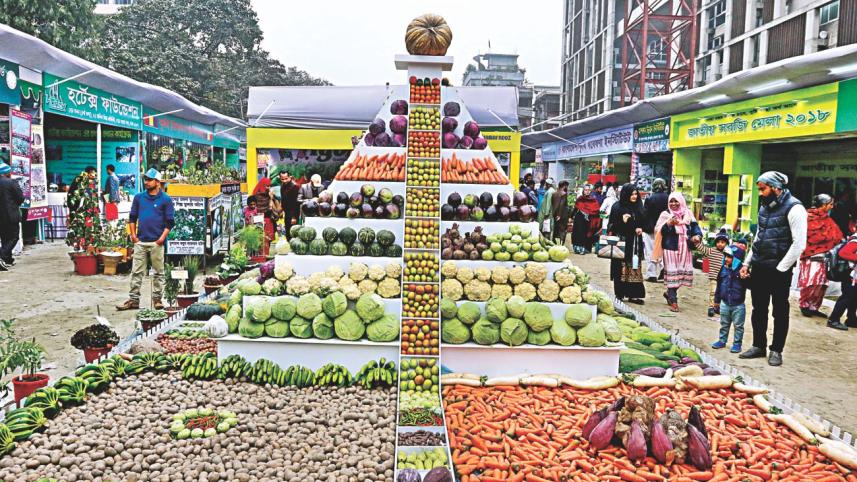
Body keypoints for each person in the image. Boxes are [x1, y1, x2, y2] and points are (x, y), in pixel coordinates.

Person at [739, 171, 807, 367]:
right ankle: (758, 345)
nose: (760, 193)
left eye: (763, 189)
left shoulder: (795, 208)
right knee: (758, 309)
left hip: (779, 270)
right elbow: (759, 238)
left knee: (780, 311)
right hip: (760, 266)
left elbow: (799, 244)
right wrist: (747, 262)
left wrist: (780, 269)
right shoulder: (764, 208)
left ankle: (776, 350)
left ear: (776, 188)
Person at [116, 169, 174, 311]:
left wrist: (161, 239)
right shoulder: (139, 198)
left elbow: (170, 222)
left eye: (149, 179)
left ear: (158, 182)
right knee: (136, 271)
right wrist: (133, 236)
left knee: (158, 272)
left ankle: (157, 300)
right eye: (145, 179)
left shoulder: (166, 200)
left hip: (156, 243)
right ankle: (133, 300)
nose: (146, 182)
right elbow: (132, 217)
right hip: (140, 242)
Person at [652, 193, 701, 312]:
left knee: (682, 274)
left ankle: (669, 293)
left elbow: (695, 227)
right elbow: (659, 230)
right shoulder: (666, 215)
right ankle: (673, 301)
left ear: (681, 201)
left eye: (676, 201)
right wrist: (668, 224)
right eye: (671, 202)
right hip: (670, 248)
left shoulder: (688, 214)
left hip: (685, 247)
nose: (673, 204)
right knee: (672, 273)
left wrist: (697, 235)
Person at [798, 194, 843, 319]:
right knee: (811, 281)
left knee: (822, 283)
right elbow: (810, 235)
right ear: (823, 205)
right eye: (830, 204)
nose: (832, 206)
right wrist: (827, 238)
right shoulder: (808, 217)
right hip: (811, 254)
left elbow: (837, 234)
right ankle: (804, 305)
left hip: (826, 255)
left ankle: (814, 307)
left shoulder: (827, 218)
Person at [607, 184, 646, 304]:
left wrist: (640, 228)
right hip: (622, 242)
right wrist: (622, 222)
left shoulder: (639, 207)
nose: (634, 197)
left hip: (634, 243)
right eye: (631, 194)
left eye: (635, 194)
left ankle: (633, 295)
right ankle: (619, 293)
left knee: (634, 266)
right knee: (620, 267)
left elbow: (644, 222)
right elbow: (611, 226)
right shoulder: (617, 207)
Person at [711, 244, 749, 353]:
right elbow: (719, 285)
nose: (726, 259)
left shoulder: (743, 271)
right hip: (724, 303)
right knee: (724, 324)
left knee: (738, 326)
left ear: (737, 259)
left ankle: (737, 344)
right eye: (725, 256)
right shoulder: (723, 269)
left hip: (738, 305)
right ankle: (722, 341)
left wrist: (746, 279)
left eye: (729, 257)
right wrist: (716, 301)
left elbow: (750, 285)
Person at [696, 229, 730, 317]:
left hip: (723, 277)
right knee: (713, 292)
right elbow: (703, 249)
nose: (720, 244)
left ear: (726, 243)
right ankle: (711, 307)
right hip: (714, 276)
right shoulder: (712, 251)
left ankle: (717, 307)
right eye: (718, 242)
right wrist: (696, 242)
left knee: (721, 292)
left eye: (722, 242)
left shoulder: (727, 253)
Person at [641, 178, 669, 282]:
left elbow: (645, 214)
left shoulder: (650, 198)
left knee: (650, 251)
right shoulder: (668, 198)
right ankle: (663, 271)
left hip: (651, 228)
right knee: (662, 250)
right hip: (664, 228)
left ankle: (651, 274)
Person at [828, 232, 857, 329]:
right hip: (850, 275)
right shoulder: (855, 240)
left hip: (853, 275)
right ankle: (833, 320)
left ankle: (851, 319)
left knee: (854, 297)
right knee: (847, 297)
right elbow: (843, 253)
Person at [0, 163, 24, 271]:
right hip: (11, 215)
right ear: (7, 173)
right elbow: (20, 198)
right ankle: (2, 255)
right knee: (14, 236)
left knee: (5, 237)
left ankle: (7, 259)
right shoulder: (11, 182)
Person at [253, 177, 281, 256]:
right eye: (266, 186)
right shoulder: (256, 196)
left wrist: (272, 198)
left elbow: (278, 209)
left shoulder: (270, 195)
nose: (268, 188)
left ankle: (265, 256)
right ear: (262, 185)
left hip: (269, 220)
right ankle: (259, 257)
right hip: (258, 221)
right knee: (259, 240)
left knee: (267, 240)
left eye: (269, 186)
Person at [571, 184, 601, 254]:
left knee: (586, 234)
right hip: (579, 219)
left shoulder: (593, 200)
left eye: (588, 190)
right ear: (583, 191)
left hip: (588, 220)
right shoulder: (580, 199)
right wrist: (571, 217)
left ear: (590, 191)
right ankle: (577, 248)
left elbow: (596, 210)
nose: (587, 192)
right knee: (578, 234)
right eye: (585, 190)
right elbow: (575, 208)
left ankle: (585, 249)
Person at [279, 170, 300, 239]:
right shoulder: (282, 186)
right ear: (280, 178)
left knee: (293, 232)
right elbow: (283, 199)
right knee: (288, 231)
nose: (284, 181)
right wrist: (281, 209)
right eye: (282, 179)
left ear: (290, 177)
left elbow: (296, 203)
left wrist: (294, 217)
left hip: (293, 212)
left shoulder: (295, 186)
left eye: (286, 178)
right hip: (287, 212)